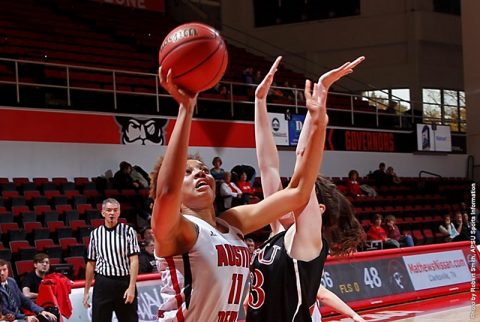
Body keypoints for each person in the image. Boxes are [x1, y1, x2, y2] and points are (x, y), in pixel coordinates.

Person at [151, 58, 334, 321]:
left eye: (202, 168)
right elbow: (166, 192)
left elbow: (299, 192)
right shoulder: (175, 231)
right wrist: (186, 109)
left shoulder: (232, 222)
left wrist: (319, 124)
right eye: (187, 173)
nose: (199, 172)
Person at [247, 56, 366, 321]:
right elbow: (267, 165)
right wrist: (259, 101)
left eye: (295, 192)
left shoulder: (308, 239)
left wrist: (321, 97)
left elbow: (303, 159)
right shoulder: (278, 230)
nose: (285, 195)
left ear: (317, 208)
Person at [83, 198, 140, 322]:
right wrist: (86, 291)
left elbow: (134, 261)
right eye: (109, 210)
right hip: (103, 283)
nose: (112, 213)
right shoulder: (95, 234)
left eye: (115, 210)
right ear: (103, 212)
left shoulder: (128, 231)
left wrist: (131, 287)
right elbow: (91, 263)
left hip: (124, 282)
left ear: (119, 212)